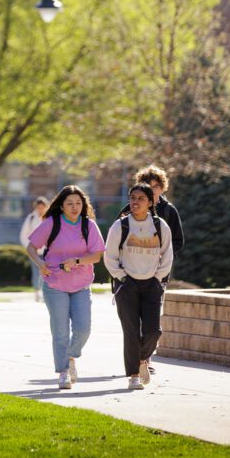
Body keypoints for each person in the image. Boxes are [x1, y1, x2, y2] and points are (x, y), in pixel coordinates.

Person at [26, 185, 105, 390]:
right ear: (61, 206)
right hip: (54, 284)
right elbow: (31, 247)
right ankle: (63, 372)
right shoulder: (52, 223)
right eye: (69, 203)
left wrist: (77, 261)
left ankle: (71, 356)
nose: (74, 207)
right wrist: (40, 263)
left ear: (83, 205)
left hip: (81, 284)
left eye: (78, 203)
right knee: (60, 331)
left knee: (83, 329)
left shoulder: (89, 226)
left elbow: (97, 255)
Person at [105, 183, 173, 390]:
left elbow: (167, 254)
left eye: (140, 198)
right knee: (131, 331)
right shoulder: (121, 226)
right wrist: (122, 277)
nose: (135, 202)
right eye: (132, 197)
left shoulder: (160, 226)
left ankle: (142, 359)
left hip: (152, 284)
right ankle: (134, 375)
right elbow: (109, 256)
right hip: (127, 285)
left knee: (154, 331)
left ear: (151, 202)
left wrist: (158, 278)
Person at [117, 164, 184, 255]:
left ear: (162, 188)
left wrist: (160, 255)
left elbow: (177, 241)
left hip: (159, 267)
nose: (152, 191)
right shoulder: (130, 208)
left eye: (155, 187)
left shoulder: (169, 210)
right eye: (148, 187)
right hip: (132, 265)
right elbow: (116, 235)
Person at [19, 197, 47, 300]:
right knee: (36, 272)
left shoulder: (48, 218)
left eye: (42, 207)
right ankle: (37, 292)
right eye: (39, 207)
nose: (40, 209)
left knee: (47, 271)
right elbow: (23, 234)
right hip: (34, 252)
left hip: (46, 251)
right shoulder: (31, 218)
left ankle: (45, 292)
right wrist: (29, 248)